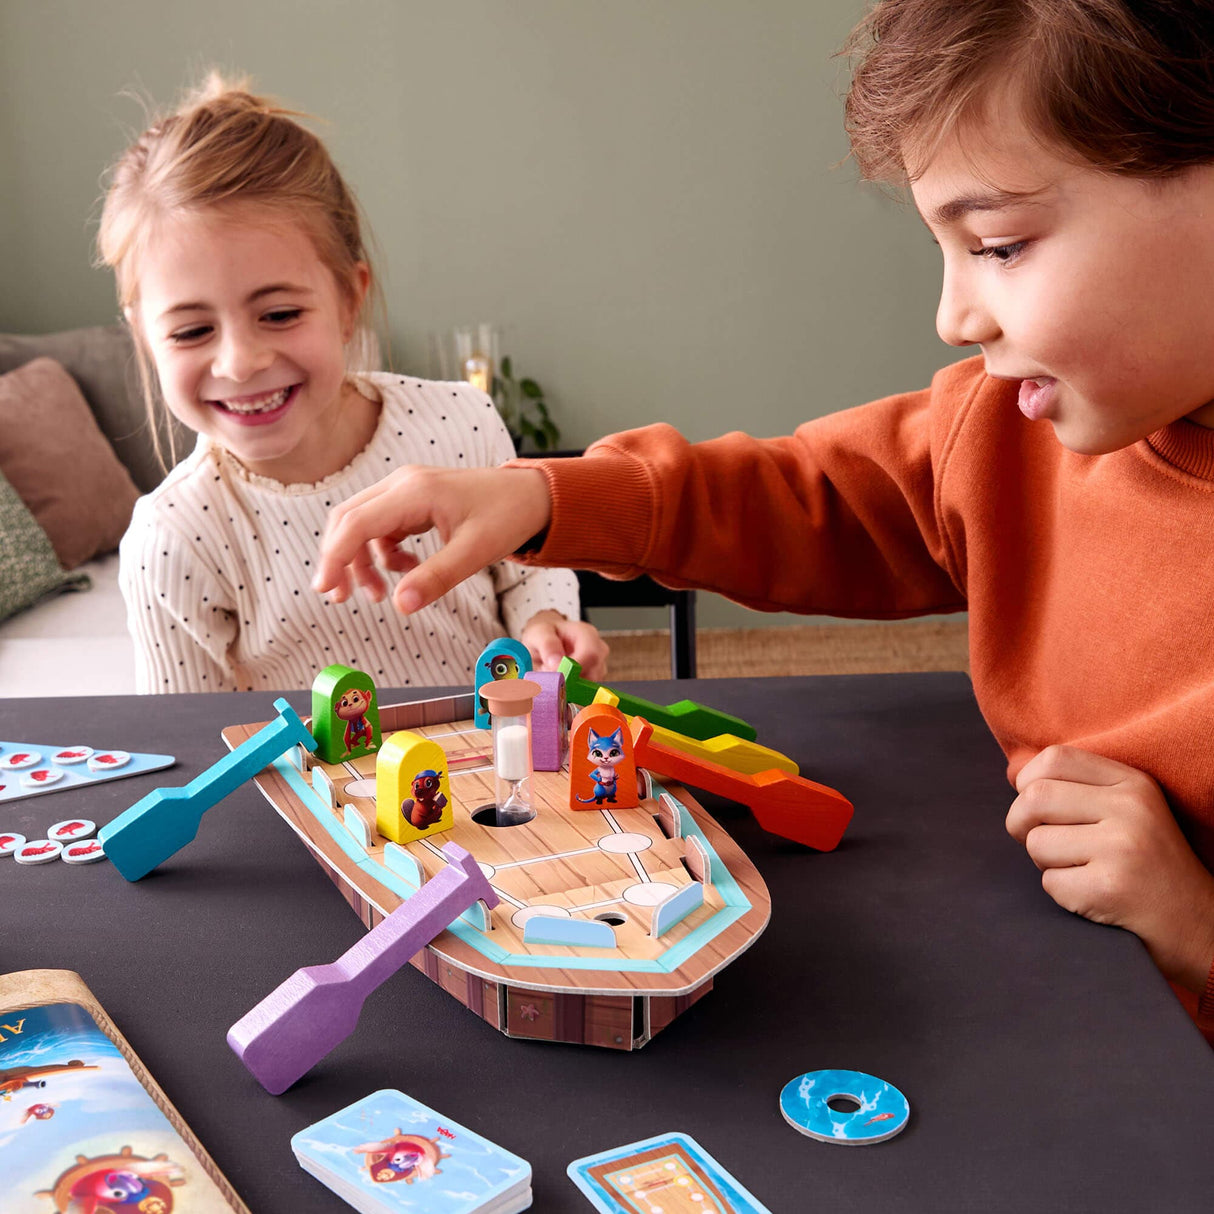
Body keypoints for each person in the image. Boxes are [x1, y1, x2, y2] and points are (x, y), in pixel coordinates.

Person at [312, 0, 1214, 1042]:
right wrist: (548, 495)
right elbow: (814, 495)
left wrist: (1196, 922)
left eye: (1000, 246)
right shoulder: (1004, 425)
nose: (953, 316)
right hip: (1049, 985)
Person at [98, 74, 608, 694]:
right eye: (191, 331)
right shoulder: (172, 539)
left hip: (496, 751)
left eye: (279, 314)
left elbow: (527, 570)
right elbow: (191, 735)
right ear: (144, 336)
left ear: (348, 300)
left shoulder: (461, 422)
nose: (240, 362)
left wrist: (546, 623)